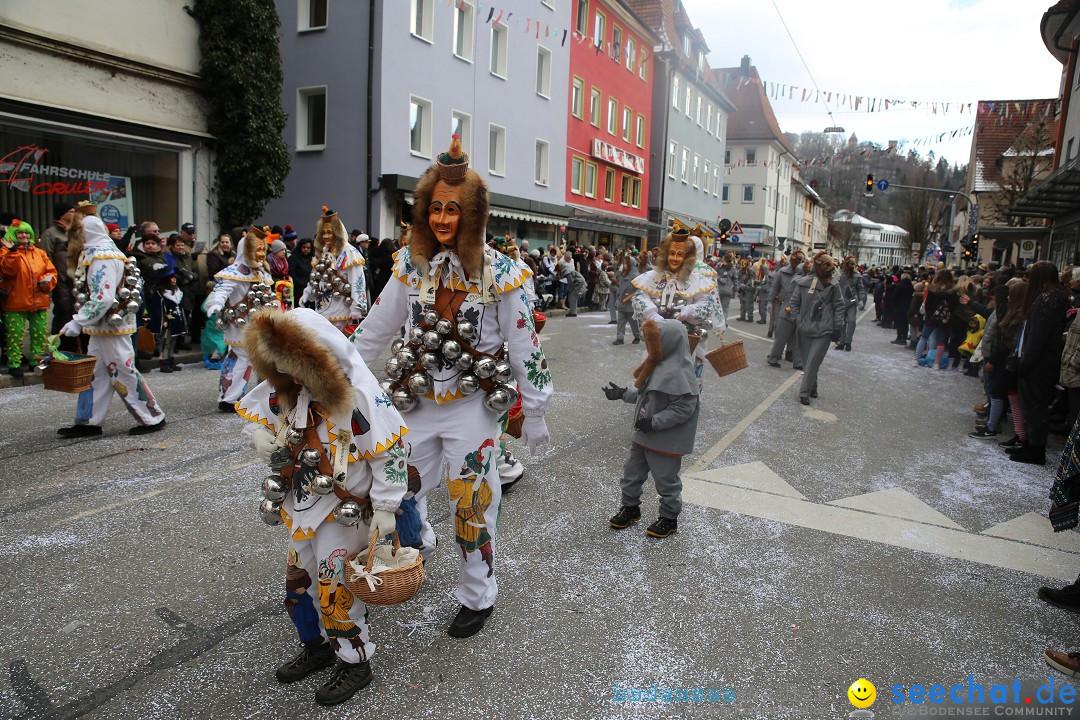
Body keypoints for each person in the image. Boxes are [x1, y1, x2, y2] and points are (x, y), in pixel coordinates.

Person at [351, 135, 552, 638]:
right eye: (434, 208)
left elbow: (524, 342)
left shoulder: (504, 274)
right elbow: (375, 329)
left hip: (472, 407)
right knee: (397, 490)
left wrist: (537, 407)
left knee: (472, 501)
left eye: (453, 210)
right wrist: (337, 373)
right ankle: (412, 546)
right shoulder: (408, 266)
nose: (442, 219)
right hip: (412, 402)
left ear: (475, 214)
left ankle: (477, 593)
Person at [237, 307, 406, 707]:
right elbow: (260, 417)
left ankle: (355, 660)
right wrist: (259, 437)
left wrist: (385, 506)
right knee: (299, 586)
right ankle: (316, 646)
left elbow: (391, 452)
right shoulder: (287, 392)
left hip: (342, 514)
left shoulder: (359, 398)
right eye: (278, 366)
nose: (289, 376)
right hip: (300, 505)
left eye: (295, 367)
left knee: (336, 590)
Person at [56, 208, 165, 437]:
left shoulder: (101, 257)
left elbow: (103, 297)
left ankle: (152, 416)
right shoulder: (104, 252)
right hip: (105, 326)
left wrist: (78, 321)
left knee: (123, 370)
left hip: (111, 326)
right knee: (96, 372)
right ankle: (88, 421)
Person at [604, 318, 700, 539]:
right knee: (631, 474)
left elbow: (684, 408)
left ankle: (669, 517)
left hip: (664, 439)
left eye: (655, 340)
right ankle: (630, 507)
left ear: (669, 342)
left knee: (666, 480)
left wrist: (655, 422)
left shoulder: (681, 374)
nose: (651, 345)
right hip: (643, 433)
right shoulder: (655, 364)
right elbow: (643, 395)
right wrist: (622, 394)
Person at [631, 220, 725, 386]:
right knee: (653, 368)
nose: (674, 258)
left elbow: (706, 304)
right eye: (672, 253)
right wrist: (652, 313)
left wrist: (689, 310)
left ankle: (686, 403)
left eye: (680, 254)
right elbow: (639, 297)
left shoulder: (698, 279)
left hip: (688, 339)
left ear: (688, 257)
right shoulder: (654, 275)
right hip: (659, 335)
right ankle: (649, 399)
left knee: (687, 375)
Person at [203, 227, 275, 412]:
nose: (260, 254)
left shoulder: (262, 272)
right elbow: (221, 289)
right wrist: (215, 303)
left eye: (262, 249)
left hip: (258, 325)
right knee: (240, 358)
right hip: (240, 326)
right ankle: (229, 398)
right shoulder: (235, 272)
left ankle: (252, 394)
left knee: (258, 359)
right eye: (257, 249)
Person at [1013, 261, 1070, 465]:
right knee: (1036, 404)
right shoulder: (1057, 296)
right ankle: (1032, 444)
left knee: (1035, 404)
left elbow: (1038, 336)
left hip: (1039, 362)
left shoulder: (1047, 299)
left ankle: (1035, 448)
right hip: (1045, 359)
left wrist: (1025, 362)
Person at [788, 251, 846, 406]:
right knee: (808, 362)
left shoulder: (833, 285)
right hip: (805, 328)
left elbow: (839, 306)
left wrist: (837, 327)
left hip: (824, 330)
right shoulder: (803, 283)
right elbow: (794, 304)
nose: (829, 270)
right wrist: (799, 320)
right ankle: (812, 386)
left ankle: (804, 393)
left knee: (813, 361)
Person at [0, 220, 57, 377]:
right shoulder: (5, 253)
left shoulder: (40, 253)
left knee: (39, 333)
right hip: (15, 301)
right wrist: (13, 251)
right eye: (20, 233)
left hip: (39, 300)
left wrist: (46, 282)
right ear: (13, 235)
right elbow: (8, 272)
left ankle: (37, 362)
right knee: (15, 334)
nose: (24, 235)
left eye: (27, 233)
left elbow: (52, 272)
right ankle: (14, 364)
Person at [299, 207, 367, 332]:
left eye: (329, 232)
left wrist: (357, 306)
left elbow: (358, 280)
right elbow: (316, 276)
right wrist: (307, 292)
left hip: (341, 310)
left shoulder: (349, 251)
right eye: (323, 232)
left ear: (337, 232)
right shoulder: (323, 252)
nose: (325, 236)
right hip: (321, 310)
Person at [37, 202, 76, 350]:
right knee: (62, 312)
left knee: (75, 313)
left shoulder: (75, 232)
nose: (74, 214)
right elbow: (45, 258)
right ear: (63, 214)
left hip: (76, 281)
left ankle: (74, 348)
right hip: (60, 281)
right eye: (71, 211)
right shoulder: (51, 233)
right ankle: (57, 348)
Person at [766, 250, 806, 369]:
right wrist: (770, 301)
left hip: (798, 306)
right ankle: (775, 356)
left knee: (797, 334)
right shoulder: (782, 272)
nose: (800, 262)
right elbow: (775, 287)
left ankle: (791, 354)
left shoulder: (806, 275)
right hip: (782, 304)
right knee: (781, 332)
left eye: (802, 260)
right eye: (799, 260)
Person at [152, 266, 187, 373]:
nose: (174, 279)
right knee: (166, 341)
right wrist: (164, 320)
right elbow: (157, 308)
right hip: (168, 321)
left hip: (176, 319)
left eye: (174, 277)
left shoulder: (177, 291)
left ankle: (171, 359)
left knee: (173, 341)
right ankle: (164, 361)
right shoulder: (160, 293)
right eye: (171, 278)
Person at [835, 255, 865, 351]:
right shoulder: (840, 275)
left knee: (851, 321)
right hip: (841, 301)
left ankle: (848, 342)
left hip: (852, 301)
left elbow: (860, 288)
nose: (852, 266)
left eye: (854, 264)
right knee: (841, 323)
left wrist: (861, 300)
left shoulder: (857, 275)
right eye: (850, 263)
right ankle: (842, 341)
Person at [612, 254, 641, 345]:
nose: (624, 265)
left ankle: (637, 336)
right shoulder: (623, 275)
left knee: (633, 322)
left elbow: (639, 290)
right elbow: (620, 288)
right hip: (621, 302)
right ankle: (620, 338)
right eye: (623, 263)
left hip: (631, 303)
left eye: (626, 263)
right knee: (620, 321)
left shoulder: (636, 276)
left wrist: (631, 296)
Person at [288, 237, 315, 301]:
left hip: (310, 289)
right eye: (303, 247)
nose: (305, 249)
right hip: (298, 290)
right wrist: (300, 283)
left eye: (308, 248)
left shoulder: (312, 259)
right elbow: (292, 272)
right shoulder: (293, 258)